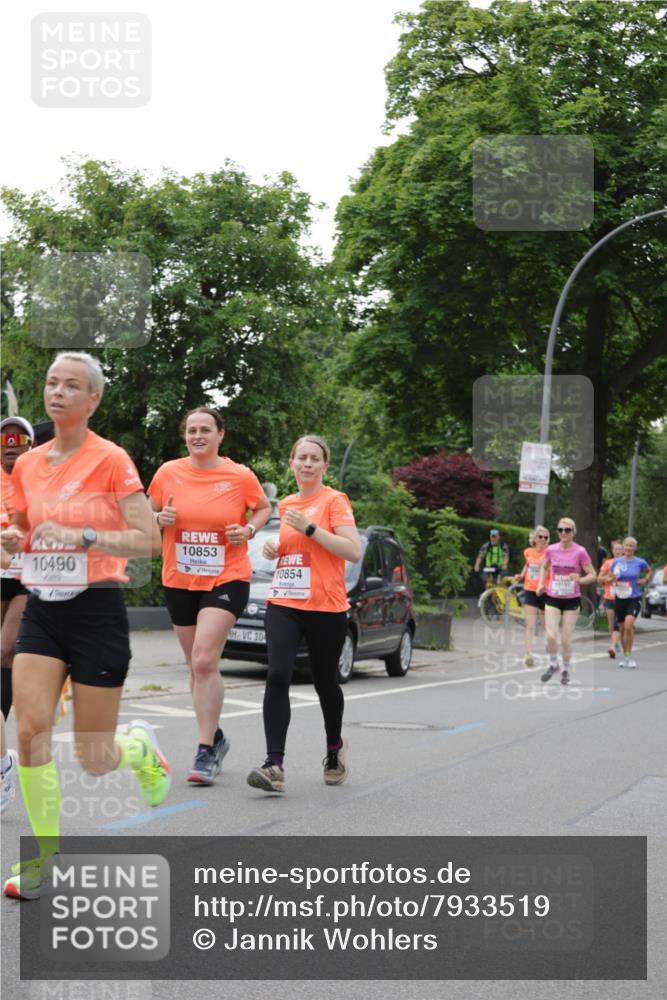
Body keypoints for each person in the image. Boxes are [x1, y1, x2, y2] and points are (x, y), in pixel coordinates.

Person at [3, 351, 169, 900]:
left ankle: (140, 748)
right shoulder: (28, 464)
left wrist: (86, 537)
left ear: (93, 399)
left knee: (94, 760)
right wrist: (13, 543)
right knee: (29, 732)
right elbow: (26, 532)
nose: (59, 393)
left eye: (72, 386)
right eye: (52, 383)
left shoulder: (111, 460)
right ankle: (43, 859)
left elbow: (150, 539)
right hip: (44, 609)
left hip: (97, 609)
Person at [148, 407, 271, 785]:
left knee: (204, 661)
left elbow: (264, 506)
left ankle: (204, 752)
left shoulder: (238, 475)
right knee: (194, 667)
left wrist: (249, 529)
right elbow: (144, 513)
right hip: (179, 579)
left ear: (220, 434)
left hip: (227, 578)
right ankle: (215, 738)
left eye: (205, 429)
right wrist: (158, 521)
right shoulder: (168, 472)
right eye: (191, 430)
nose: (197, 435)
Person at [247, 435, 361, 794]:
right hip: (284, 602)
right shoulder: (289, 504)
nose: (308, 463)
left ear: (324, 466)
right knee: (278, 673)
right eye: (302, 457)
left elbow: (352, 550)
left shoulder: (334, 501)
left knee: (325, 682)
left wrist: (310, 528)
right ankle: (274, 765)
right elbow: (295, 549)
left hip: (326, 606)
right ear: (291, 463)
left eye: (315, 458)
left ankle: (333, 749)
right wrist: (274, 547)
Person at [1, 416, 35, 727]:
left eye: (19, 439)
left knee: (6, 648)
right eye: (5, 440)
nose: (11, 445)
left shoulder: (40, 481)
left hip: (28, 578)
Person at [536, 517, 597, 686]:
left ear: (573, 533)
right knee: (550, 635)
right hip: (553, 597)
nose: (563, 533)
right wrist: (541, 583)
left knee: (565, 639)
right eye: (560, 530)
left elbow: (593, 574)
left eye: (567, 530)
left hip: (571, 599)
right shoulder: (551, 549)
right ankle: (553, 664)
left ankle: (566, 669)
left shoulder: (580, 551)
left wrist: (580, 579)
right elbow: (544, 566)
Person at [607, 537, 651, 668]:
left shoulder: (640, 562)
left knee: (628, 626)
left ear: (634, 548)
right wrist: (613, 577)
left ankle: (630, 656)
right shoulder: (617, 562)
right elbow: (609, 577)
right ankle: (626, 657)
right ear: (623, 547)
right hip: (620, 598)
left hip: (634, 597)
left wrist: (645, 580)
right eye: (626, 545)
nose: (628, 548)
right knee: (621, 628)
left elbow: (649, 571)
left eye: (631, 546)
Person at [514, 526, 549, 666]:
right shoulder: (528, 552)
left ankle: (549, 646)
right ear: (534, 539)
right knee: (530, 625)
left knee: (546, 624)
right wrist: (521, 575)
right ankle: (529, 654)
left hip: (545, 591)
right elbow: (528, 565)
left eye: (546, 537)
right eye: (540, 536)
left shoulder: (550, 553)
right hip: (530, 590)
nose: (543, 539)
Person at [598, 540, 623, 658]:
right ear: (612, 551)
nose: (618, 551)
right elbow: (599, 578)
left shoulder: (626, 563)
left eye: (620, 549)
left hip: (623, 597)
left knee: (619, 622)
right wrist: (608, 579)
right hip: (609, 596)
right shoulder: (608, 563)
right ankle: (614, 642)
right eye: (616, 549)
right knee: (611, 624)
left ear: (623, 551)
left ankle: (614, 644)